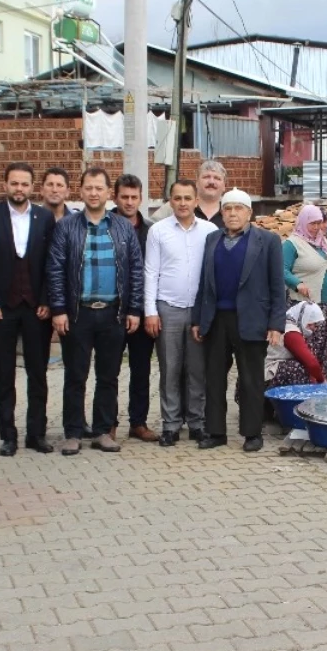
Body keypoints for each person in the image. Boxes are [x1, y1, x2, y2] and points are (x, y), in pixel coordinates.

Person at [47, 167, 144, 456]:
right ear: (80, 191)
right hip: (78, 313)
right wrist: (59, 309)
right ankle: (73, 432)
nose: (93, 193)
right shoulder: (67, 226)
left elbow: (135, 270)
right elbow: (55, 270)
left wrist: (134, 309)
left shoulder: (123, 228)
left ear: (108, 193)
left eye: (99, 188)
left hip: (113, 313)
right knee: (75, 375)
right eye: (88, 188)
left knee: (109, 375)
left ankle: (103, 431)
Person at [192, 189, 287, 453]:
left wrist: (276, 324)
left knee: (251, 380)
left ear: (249, 213)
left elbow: (277, 286)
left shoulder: (267, 241)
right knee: (213, 378)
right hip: (216, 319)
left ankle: (252, 433)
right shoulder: (212, 240)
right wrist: (197, 319)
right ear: (222, 212)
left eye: (238, 208)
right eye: (228, 208)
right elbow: (204, 283)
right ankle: (215, 431)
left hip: (252, 320)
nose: (233, 213)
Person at [0, 162, 56, 456]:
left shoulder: (44, 217)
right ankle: (8, 436)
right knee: (4, 373)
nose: (19, 189)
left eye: (25, 184)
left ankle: (36, 434)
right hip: (3, 307)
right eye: (14, 183)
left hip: (36, 307)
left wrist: (48, 300)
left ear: (32, 186)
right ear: (5, 185)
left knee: (38, 373)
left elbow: (52, 263)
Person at [145, 179, 218, 447]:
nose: (183, 203)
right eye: (177, 198)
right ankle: (171, 424)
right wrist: (150, 311)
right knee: (170, 369)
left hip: (198, 311)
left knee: (197, 370)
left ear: (196, 201)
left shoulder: (210, 231)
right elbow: (150, 272)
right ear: (170, 201)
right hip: (168, 308)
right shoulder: (158, 231)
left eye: (188, 198)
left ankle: (197, 423)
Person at [112, 174, 157, 442]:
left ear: (141, 198)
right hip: (113, 313)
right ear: (115, 197)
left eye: (134, 197)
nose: (129, 202)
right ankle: (109, 422)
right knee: (110, 371)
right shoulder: (104, 225)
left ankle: (138, 422)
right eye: (124, 197)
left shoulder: (151, 231)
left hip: (141, 312)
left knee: (141, 370)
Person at [283, 204, 327, 379]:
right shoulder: (292, 244)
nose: (317, 228)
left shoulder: (323, 244)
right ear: (303, 223)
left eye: (319, 223)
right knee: (309, 350)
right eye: (312, 223)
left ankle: (323, 384)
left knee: (326, 347)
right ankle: (307, 382)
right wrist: (297, 283)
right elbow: (281, 269)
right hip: (305, 307)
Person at [265, 302, 326, 389]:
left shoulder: (286, 322)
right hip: (267, 374)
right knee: (301, 368)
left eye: (316, 326)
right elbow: (311, 363)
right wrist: (321, 380)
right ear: (303, 317)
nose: (314, 328)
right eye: (312, 324)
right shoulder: (291, 332)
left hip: (266, 370)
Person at [152, 160, 227, 227]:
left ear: (224, 186)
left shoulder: (230, 209)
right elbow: (151, 228)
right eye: (206, 177)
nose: (211, 182)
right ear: (197, 182)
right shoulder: (174, 206)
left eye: (217, 178)